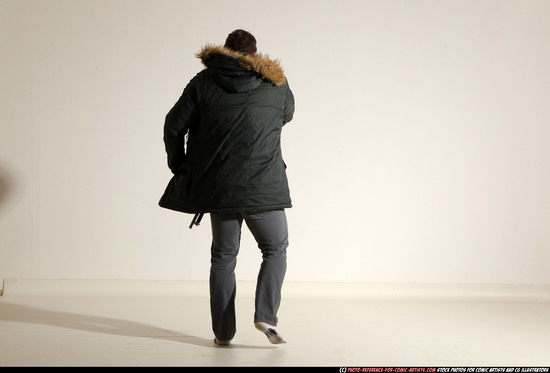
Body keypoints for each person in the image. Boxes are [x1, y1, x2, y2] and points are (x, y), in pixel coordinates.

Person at [159, 29, 295, 346]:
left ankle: (223, 333)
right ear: (256, 53)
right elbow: (286, 115)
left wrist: (181, 165)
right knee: (275, 249)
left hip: (219, 186)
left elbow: (173, 124)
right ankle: (266, 316)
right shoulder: (276, 82)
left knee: (223, 258)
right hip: (265, 183)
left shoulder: (203, 83)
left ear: (224, 51)